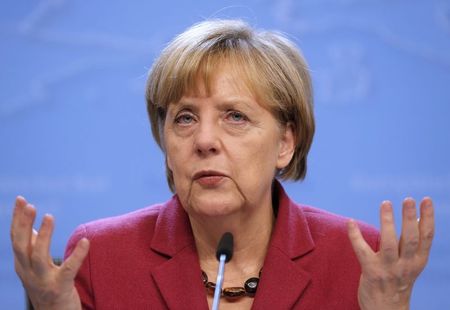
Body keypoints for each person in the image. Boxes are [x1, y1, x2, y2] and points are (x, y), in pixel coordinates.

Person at [10, 19, 434, 310]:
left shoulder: (359, 259)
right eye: (185, 118)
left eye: (235, 116)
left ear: (285, 142)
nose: (205, 141)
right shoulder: (101, 257)